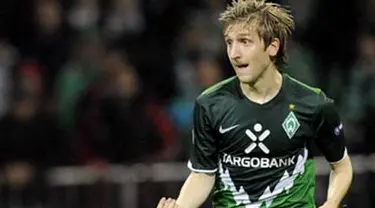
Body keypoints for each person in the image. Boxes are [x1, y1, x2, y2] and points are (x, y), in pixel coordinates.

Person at [157, 0, 353, 207]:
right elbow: (203, 175)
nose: (234, 53)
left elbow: (341, 167)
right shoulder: (210, 104)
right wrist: (179, 206)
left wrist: (332, 202)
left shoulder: (313, 104)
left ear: (272, 46)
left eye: (245, 41)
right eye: (229, 42)